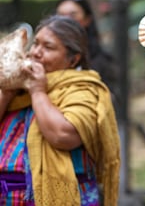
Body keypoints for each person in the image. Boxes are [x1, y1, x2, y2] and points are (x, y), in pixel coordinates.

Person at [0, 15, 120, 205]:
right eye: (36, 44)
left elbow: (63, 136)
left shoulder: (83, 90)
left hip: (61, 196)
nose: (36, 53)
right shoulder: (18, 89)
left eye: (48, 47)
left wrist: (38, 91)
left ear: (73, 59)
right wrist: (7, 92)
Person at [56, 0, 120, 107]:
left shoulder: (101, 61)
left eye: (73, 15)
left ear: (87, 19)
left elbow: (111, 100)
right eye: (60, 15)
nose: (65, 21)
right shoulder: (43, 57)